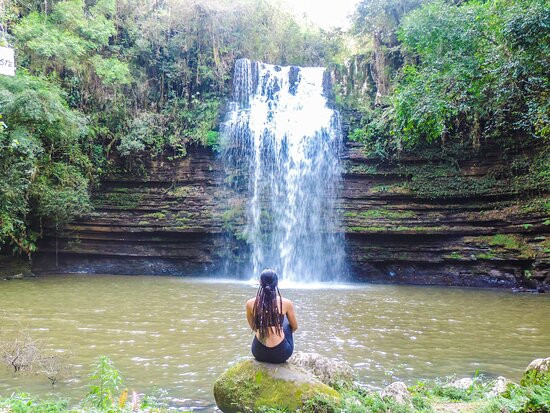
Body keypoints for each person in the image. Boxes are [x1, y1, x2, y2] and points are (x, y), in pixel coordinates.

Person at [246, 268, 298, 363]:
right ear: (277, 283)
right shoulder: (286, 303)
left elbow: (254, 327)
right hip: (281, 354)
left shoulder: (250, 303)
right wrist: (279, 328)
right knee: (286, 322)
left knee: (262, 326)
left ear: (260, 282)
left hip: (259, 352)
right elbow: (294, 327)